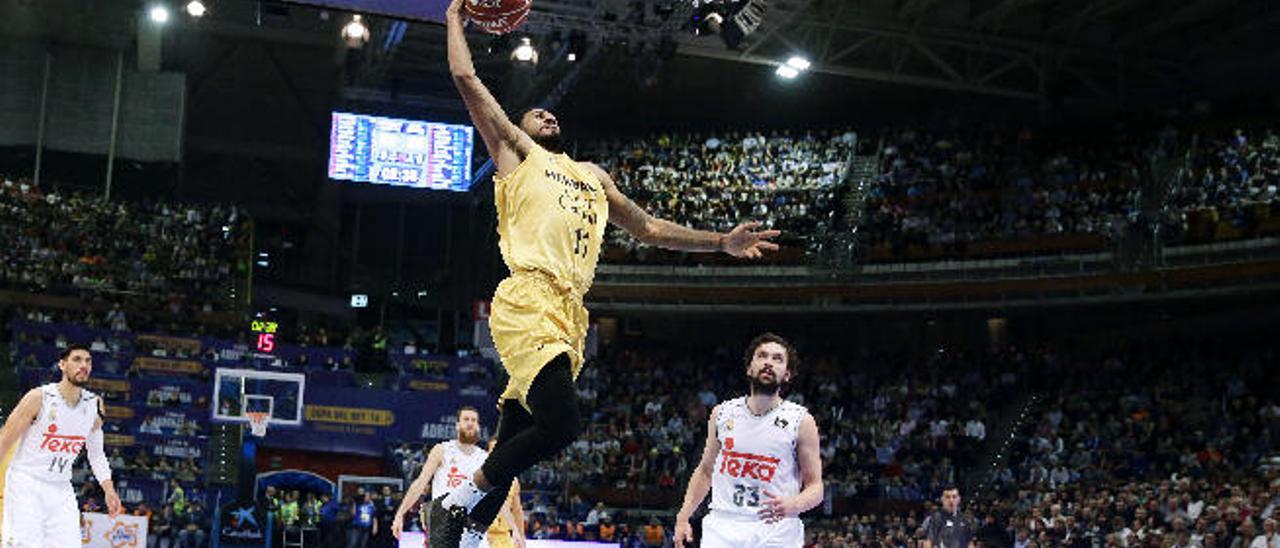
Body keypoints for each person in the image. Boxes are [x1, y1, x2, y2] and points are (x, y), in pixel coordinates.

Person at [430, 1, 781, 545]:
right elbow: (464, 75)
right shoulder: (514, 152)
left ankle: (468, 535)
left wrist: (722, 242)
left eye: (551, 113)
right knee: (562, 424)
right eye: (535, 112)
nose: (546, 114)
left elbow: (649, 228)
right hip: (528, 296)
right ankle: (456, 500)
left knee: (520, 436)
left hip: (570, 313)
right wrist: (456, 16)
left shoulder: (593, 174)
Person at [674, 334, 824, 548]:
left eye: (777, 359)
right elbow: (705, 471)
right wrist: (683, 516)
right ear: (749, 368)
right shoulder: (722, 413)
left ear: (787, 374)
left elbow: (816, 487)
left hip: (776, 528)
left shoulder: (801, 420)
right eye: (762, 356)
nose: (769, 363)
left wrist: (795, 503)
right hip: (723, 526)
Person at [0, 345, 123, 546]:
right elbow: (5, 440)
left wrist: (109, 489)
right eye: (77, 359)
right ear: (62, 365)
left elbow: (97, 454)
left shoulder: (95, 405)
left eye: (88, 360)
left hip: (61, 488)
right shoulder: (38, 398)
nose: (83, 365)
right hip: (26, 483)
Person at [392, 407, 488, 539]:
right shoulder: (442, 450)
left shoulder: (484, 458)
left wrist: (515, 529)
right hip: (444, 523)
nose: (470, 423)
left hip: (473, 527)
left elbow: (493, 495)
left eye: (474, 420)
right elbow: (420, 483)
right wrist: (400, 514)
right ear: (457, 425)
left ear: (478, 426)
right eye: (466, 419)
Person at [479, 439, 527, 548]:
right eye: (494, 450)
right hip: (480, 534)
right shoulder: (477, 476)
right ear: (487, 454)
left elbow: (517, 511)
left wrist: (521, 536)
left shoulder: (513, 481)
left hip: (502, 536)